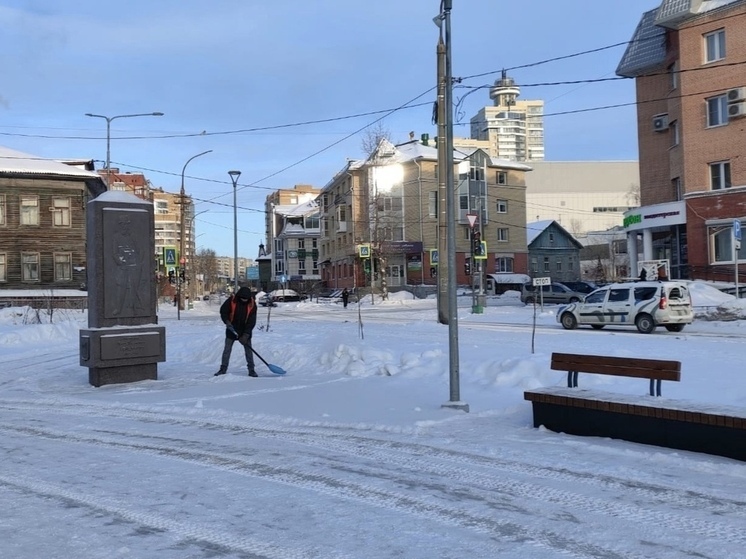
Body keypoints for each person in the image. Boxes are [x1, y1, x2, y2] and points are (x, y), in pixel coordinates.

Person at [214, 286, 258, 377]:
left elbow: (251, 321)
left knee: (248, 351)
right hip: (232, 329)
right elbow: (223, 311)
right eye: (242, 298)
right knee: (227, 350)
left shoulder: (252, 304)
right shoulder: (232, 301)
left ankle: (251, 370)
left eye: (246, 299)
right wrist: (227, 322)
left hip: (245, 330)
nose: (244, 300)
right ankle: (223, 369)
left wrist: (246, 335)